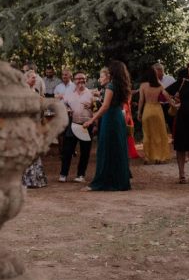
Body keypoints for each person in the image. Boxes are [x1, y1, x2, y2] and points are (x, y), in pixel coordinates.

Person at [82, 62, 131, 191]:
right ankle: (119, 180)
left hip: (110, 119)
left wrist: (91, 120)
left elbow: (105, 106)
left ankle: (104, 180)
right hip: (118, 119)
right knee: (117, 148)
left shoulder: (111, 85)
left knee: (106, 149)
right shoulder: (122, 86)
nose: (108, 72)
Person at [59, 71, 93, 183]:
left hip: (86, 126)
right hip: (72, 124)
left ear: (86, 80)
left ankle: (81, 175)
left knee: (85, 152)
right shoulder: (69, 94)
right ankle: (63, 174)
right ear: (74, 80)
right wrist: (66, 109)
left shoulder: (91, 94)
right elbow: (63, 106)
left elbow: (97, 110)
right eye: (78, 79)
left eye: (83, 78)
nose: (81, 81)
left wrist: (92, 106)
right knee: (67, 151)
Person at [137, 66, 174, 164]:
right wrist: (174, 106)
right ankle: (159, 157)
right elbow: (167, 97)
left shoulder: (143, 86)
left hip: (147, 109)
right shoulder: (160, 85)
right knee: (159, 134)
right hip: (157, 110)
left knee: (147, 134)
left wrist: (139, 112)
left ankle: (147, 158)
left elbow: (141, 100)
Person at [22, 70, 48, 188]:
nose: (35, 79)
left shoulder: (36, 91)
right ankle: (26, 180)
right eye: (32, 77)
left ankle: (36, 179)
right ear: (26, 78)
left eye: (35, 77)